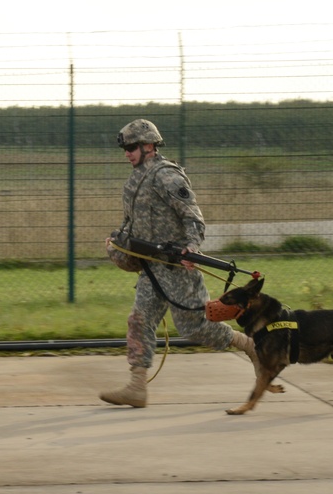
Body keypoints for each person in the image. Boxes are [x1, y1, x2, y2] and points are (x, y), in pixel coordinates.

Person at [100, 119, 255, 408]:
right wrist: (119, 244)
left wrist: (191, 248)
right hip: (152, 269)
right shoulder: (134, 181)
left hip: (177, 269)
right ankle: (137, 387)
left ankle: (249, 346)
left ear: (149, 146)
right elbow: (132, 224)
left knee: (195, 328)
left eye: (132, 147)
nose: (127, 153)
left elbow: (192, 217)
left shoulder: (167, 176)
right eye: (125, 148)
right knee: (139, 319)